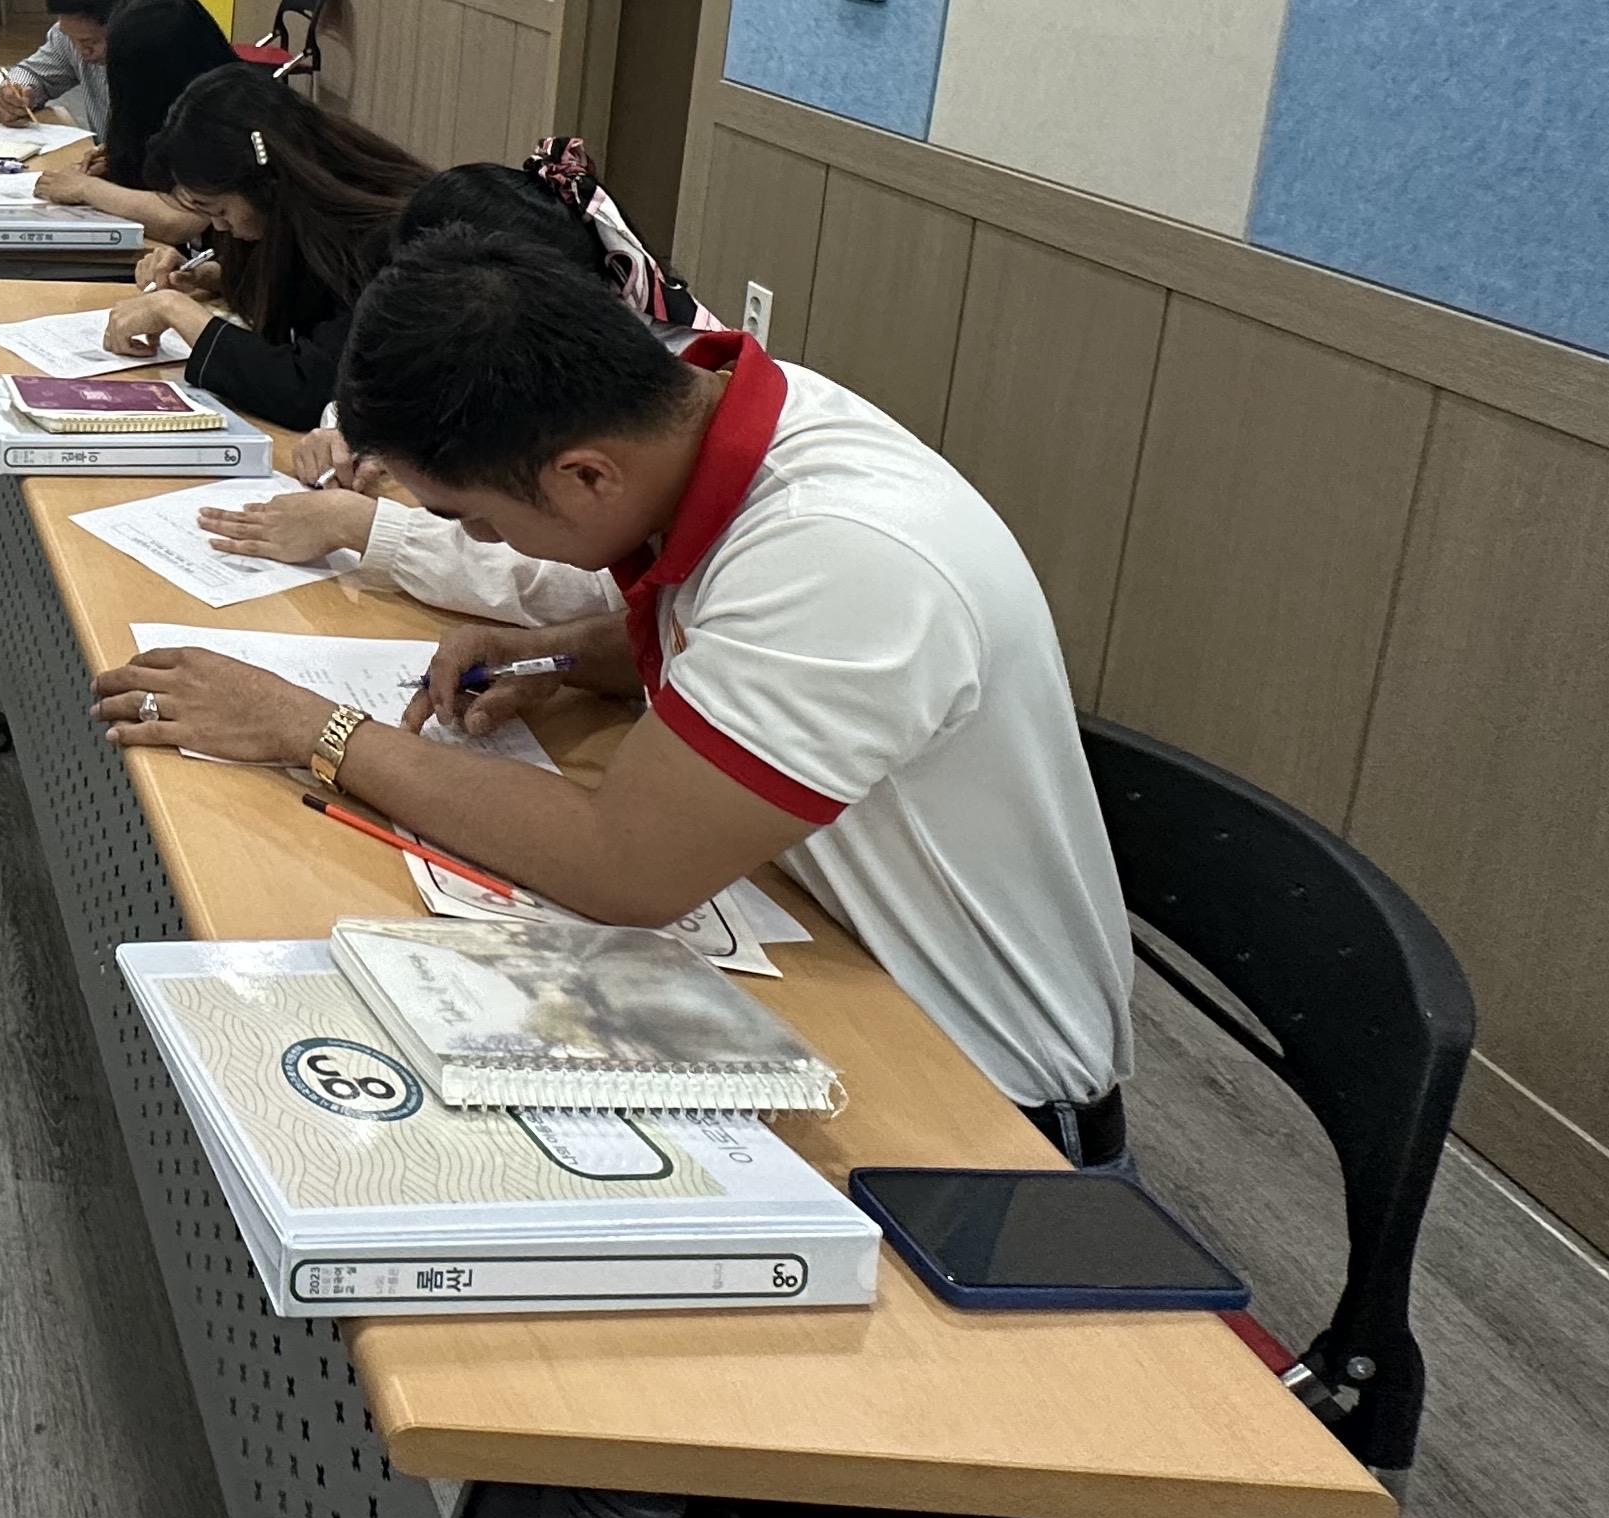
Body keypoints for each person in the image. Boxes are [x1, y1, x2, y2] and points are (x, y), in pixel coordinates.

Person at [89, 231, 1133, 1138]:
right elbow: (724, 629)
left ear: (587, 474)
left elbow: (623, 864)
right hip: (812, 928)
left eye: (476, 518)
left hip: (979, 1091)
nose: (481, 541)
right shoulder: (719, 422)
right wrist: (576, 654)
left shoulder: (842, 552)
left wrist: (311, 727)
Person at [0, 18, 318, 586]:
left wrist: (180, 306)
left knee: (53, 380)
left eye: (98, 49)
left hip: (289, 427)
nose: (91, 60)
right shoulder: (249, 185)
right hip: (238, 355)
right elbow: (243, 267)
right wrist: (214, 277)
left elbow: (305, 378)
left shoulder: (315, 223)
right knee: (17, 361)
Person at [187, 145, 714, 619]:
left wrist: (364, 526)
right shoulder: (528, 341)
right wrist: (362, 435)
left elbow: (587, 586)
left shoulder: (634, 397)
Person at [90, 69, 428, 427]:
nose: (220, 227)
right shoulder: (306, 206)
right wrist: (211, 276)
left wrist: (176, 311)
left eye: (221, 211)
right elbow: (302, 302)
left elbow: (315, 391)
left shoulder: (377, 239)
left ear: (266, 186)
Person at [28, 0, 244, 245]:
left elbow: (182, 221)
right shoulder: (177, 94)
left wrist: (87, 188)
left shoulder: (222, 110)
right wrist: (123, 158)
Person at [0, 0, 138, 129]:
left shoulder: (155, 50)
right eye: (73, 40)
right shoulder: (69, 35)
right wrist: (15, 93)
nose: (81, 52)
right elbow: (35, 73)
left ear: (125, 22)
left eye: (90, 43)